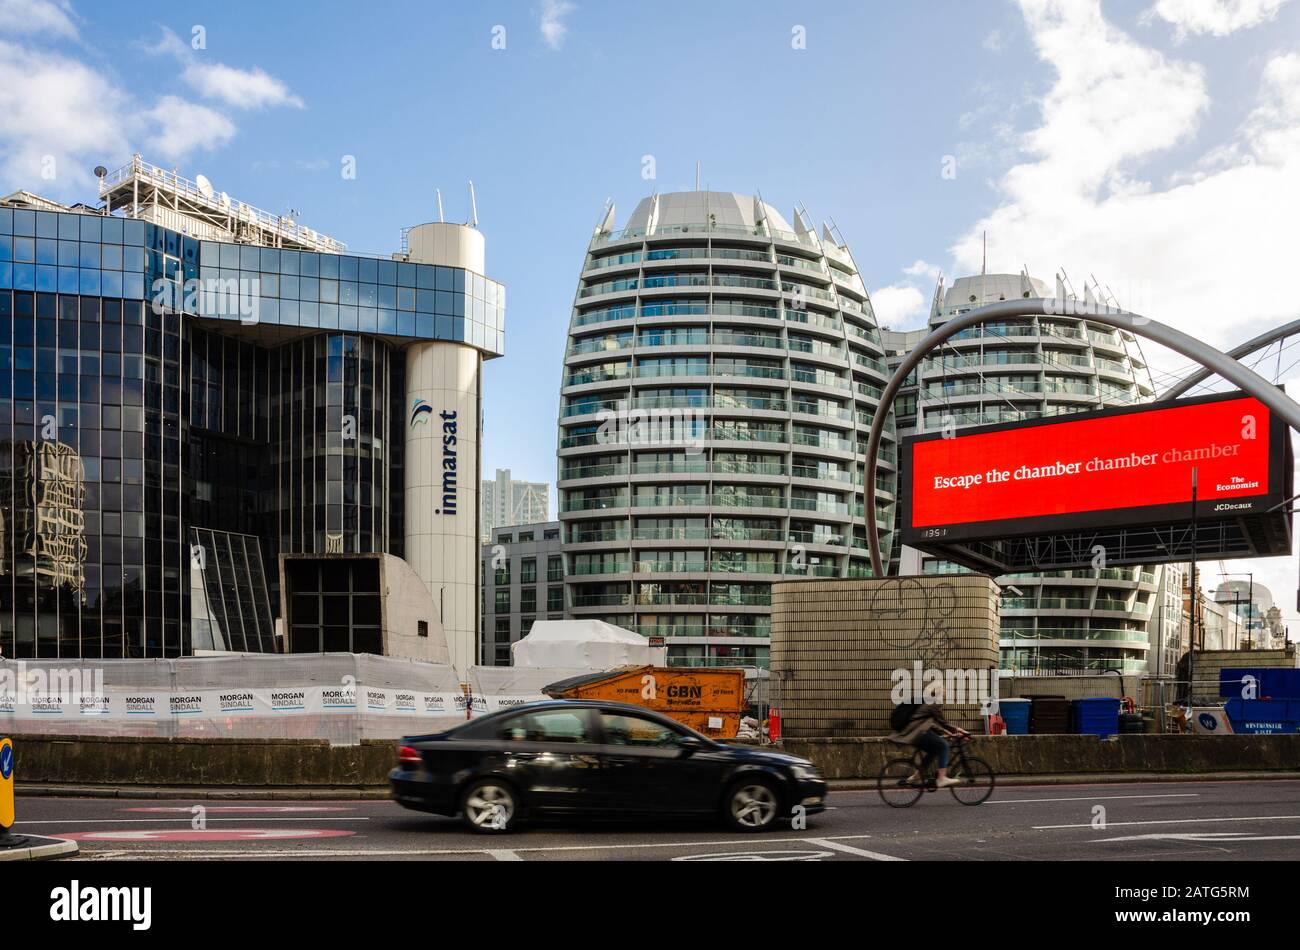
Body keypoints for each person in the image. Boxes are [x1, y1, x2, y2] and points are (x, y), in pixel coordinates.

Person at [888, 684, 970, 788]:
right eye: (943, 692)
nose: (945, 695)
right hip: (918, 733)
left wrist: (949, 733)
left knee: (934, 751)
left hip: (914, 733)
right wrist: (960, 730)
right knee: (944, 746)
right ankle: (941, 779)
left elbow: (931, 724)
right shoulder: (933, 703)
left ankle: (916, 776)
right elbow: (943, 722)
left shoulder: (927, 702)